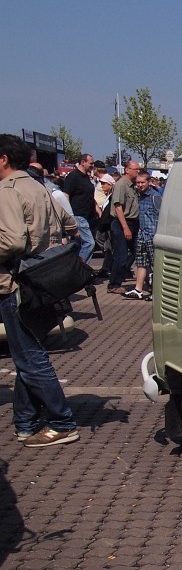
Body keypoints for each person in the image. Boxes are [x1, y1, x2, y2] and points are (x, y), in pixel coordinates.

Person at [0, 134, 80, 447]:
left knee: (30, 358)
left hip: (17, 283)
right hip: (43, 281)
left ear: (3, 159)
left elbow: (12, 241)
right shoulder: (39, 186)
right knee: (27, 356)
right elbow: (69, 222)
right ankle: (26, 422)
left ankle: (62, 422)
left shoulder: (8, 190)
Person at [124, 172, 160, 300]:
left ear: (149, 182)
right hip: (142, 234)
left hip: (152, 235)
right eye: (138, 182)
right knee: (141, 263)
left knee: (156, 264)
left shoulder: (155, 196)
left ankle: (156, 292)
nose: (139, 185)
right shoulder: (139, 196)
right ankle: (138, 289)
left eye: (142, 182)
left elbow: (161, 215)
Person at [109, 160, 142, 294]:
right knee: (121, 255)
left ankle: (128, 273)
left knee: (138, 252)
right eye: (136, 169)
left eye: (139, 169)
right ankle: (114, 284)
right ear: (127, 170)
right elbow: (118, 207)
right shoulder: (121, 185)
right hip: (122, 223)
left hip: (133, 223)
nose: (138, 172)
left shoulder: (133, 186)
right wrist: (125, 228)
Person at [61, 153, 98, 263]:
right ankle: (80, 266)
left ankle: (74, 266)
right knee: (89, 243)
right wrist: (69, 216)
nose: (92, 165)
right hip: (78, 215)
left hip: (88, 216)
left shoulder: (86, 177)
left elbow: (90, 196)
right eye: (91, 163)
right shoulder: (73, 176)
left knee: (80, 244)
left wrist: (98, 211)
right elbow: (66, 195)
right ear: (83, 162)